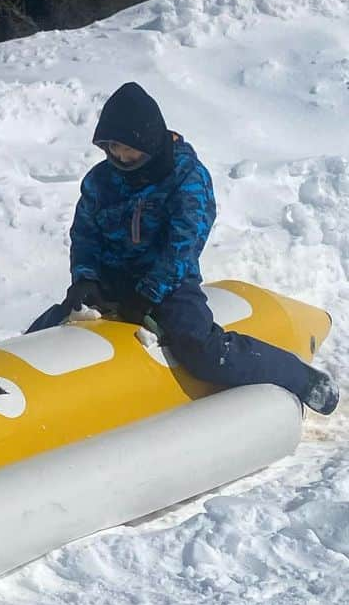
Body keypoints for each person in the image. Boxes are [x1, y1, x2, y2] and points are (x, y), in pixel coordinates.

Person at [28, 82, 339, 416]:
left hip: (168, 284)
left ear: (146, 141)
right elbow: (85, 233)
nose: (118, 156)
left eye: (125, 148)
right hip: (110, 279)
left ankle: (299, 376)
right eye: (111, 147)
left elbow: (183, 246)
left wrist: (148, 293)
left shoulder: (186, 178)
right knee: (49, 326)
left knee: (199, 347)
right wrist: (85, 279)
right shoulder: (100, 180)